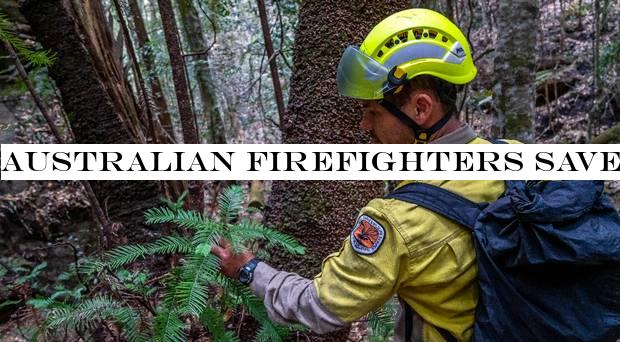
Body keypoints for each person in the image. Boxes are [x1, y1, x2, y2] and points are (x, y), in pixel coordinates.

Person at [212, 8, 505, 342]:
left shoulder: (398, 222)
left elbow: (321, 306)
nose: (364, 126)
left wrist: (249, 269)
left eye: (373, 111)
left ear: (421, 108)